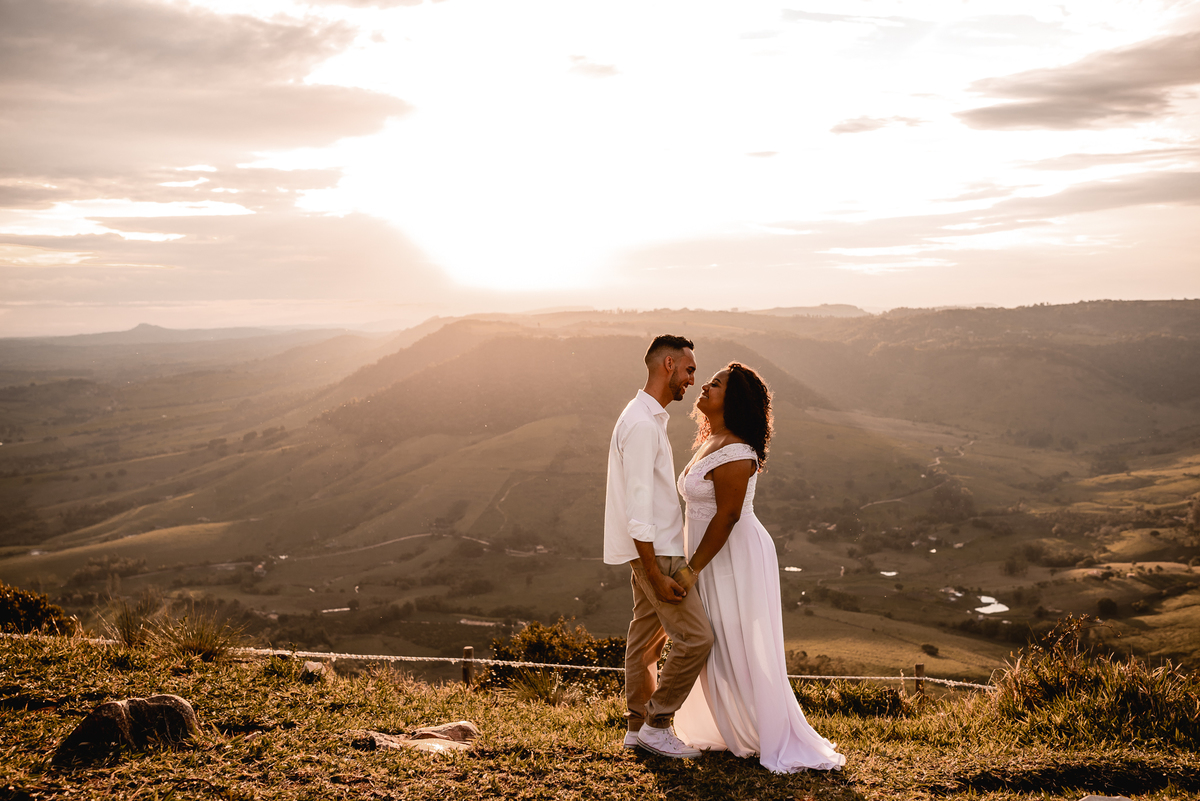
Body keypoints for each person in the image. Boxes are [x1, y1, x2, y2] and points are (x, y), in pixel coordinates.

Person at [672, 362, 845, 773]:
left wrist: (692, 568)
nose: (705, 387)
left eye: (715, 384)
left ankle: (761, 729)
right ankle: (726, 725)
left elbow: (727, 516)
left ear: (732, 401)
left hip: (731, 554)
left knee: (736, 639)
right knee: (716, 637)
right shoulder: (712, 439)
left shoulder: (736, 451)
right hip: (709, 551)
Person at [604, 334, 713, 759]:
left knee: (646, 639)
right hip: (658, 553)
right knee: (696, 639)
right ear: (668, 364)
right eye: (689, 370)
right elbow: (638, 508)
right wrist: (654, 573)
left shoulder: (643, 418)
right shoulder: (642, 425)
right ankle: (658, 723)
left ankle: (636, 727)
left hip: (651, 551)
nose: (691, 380)